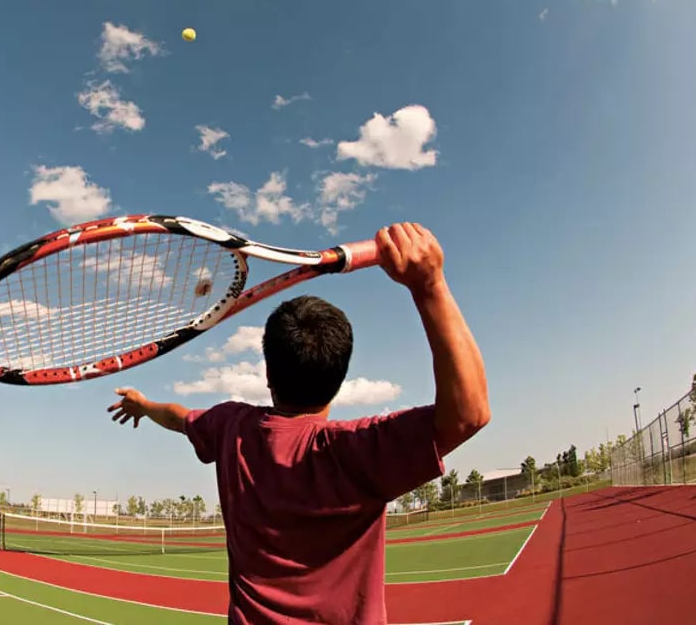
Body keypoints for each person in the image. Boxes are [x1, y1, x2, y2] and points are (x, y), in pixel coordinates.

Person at [107, 223, 490, 624]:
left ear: (268, 373)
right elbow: (469, 414)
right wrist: (429, 284)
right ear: (341, 378)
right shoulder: (356, 451)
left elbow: (179, 417)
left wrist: (144, 404)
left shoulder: (231, 427)